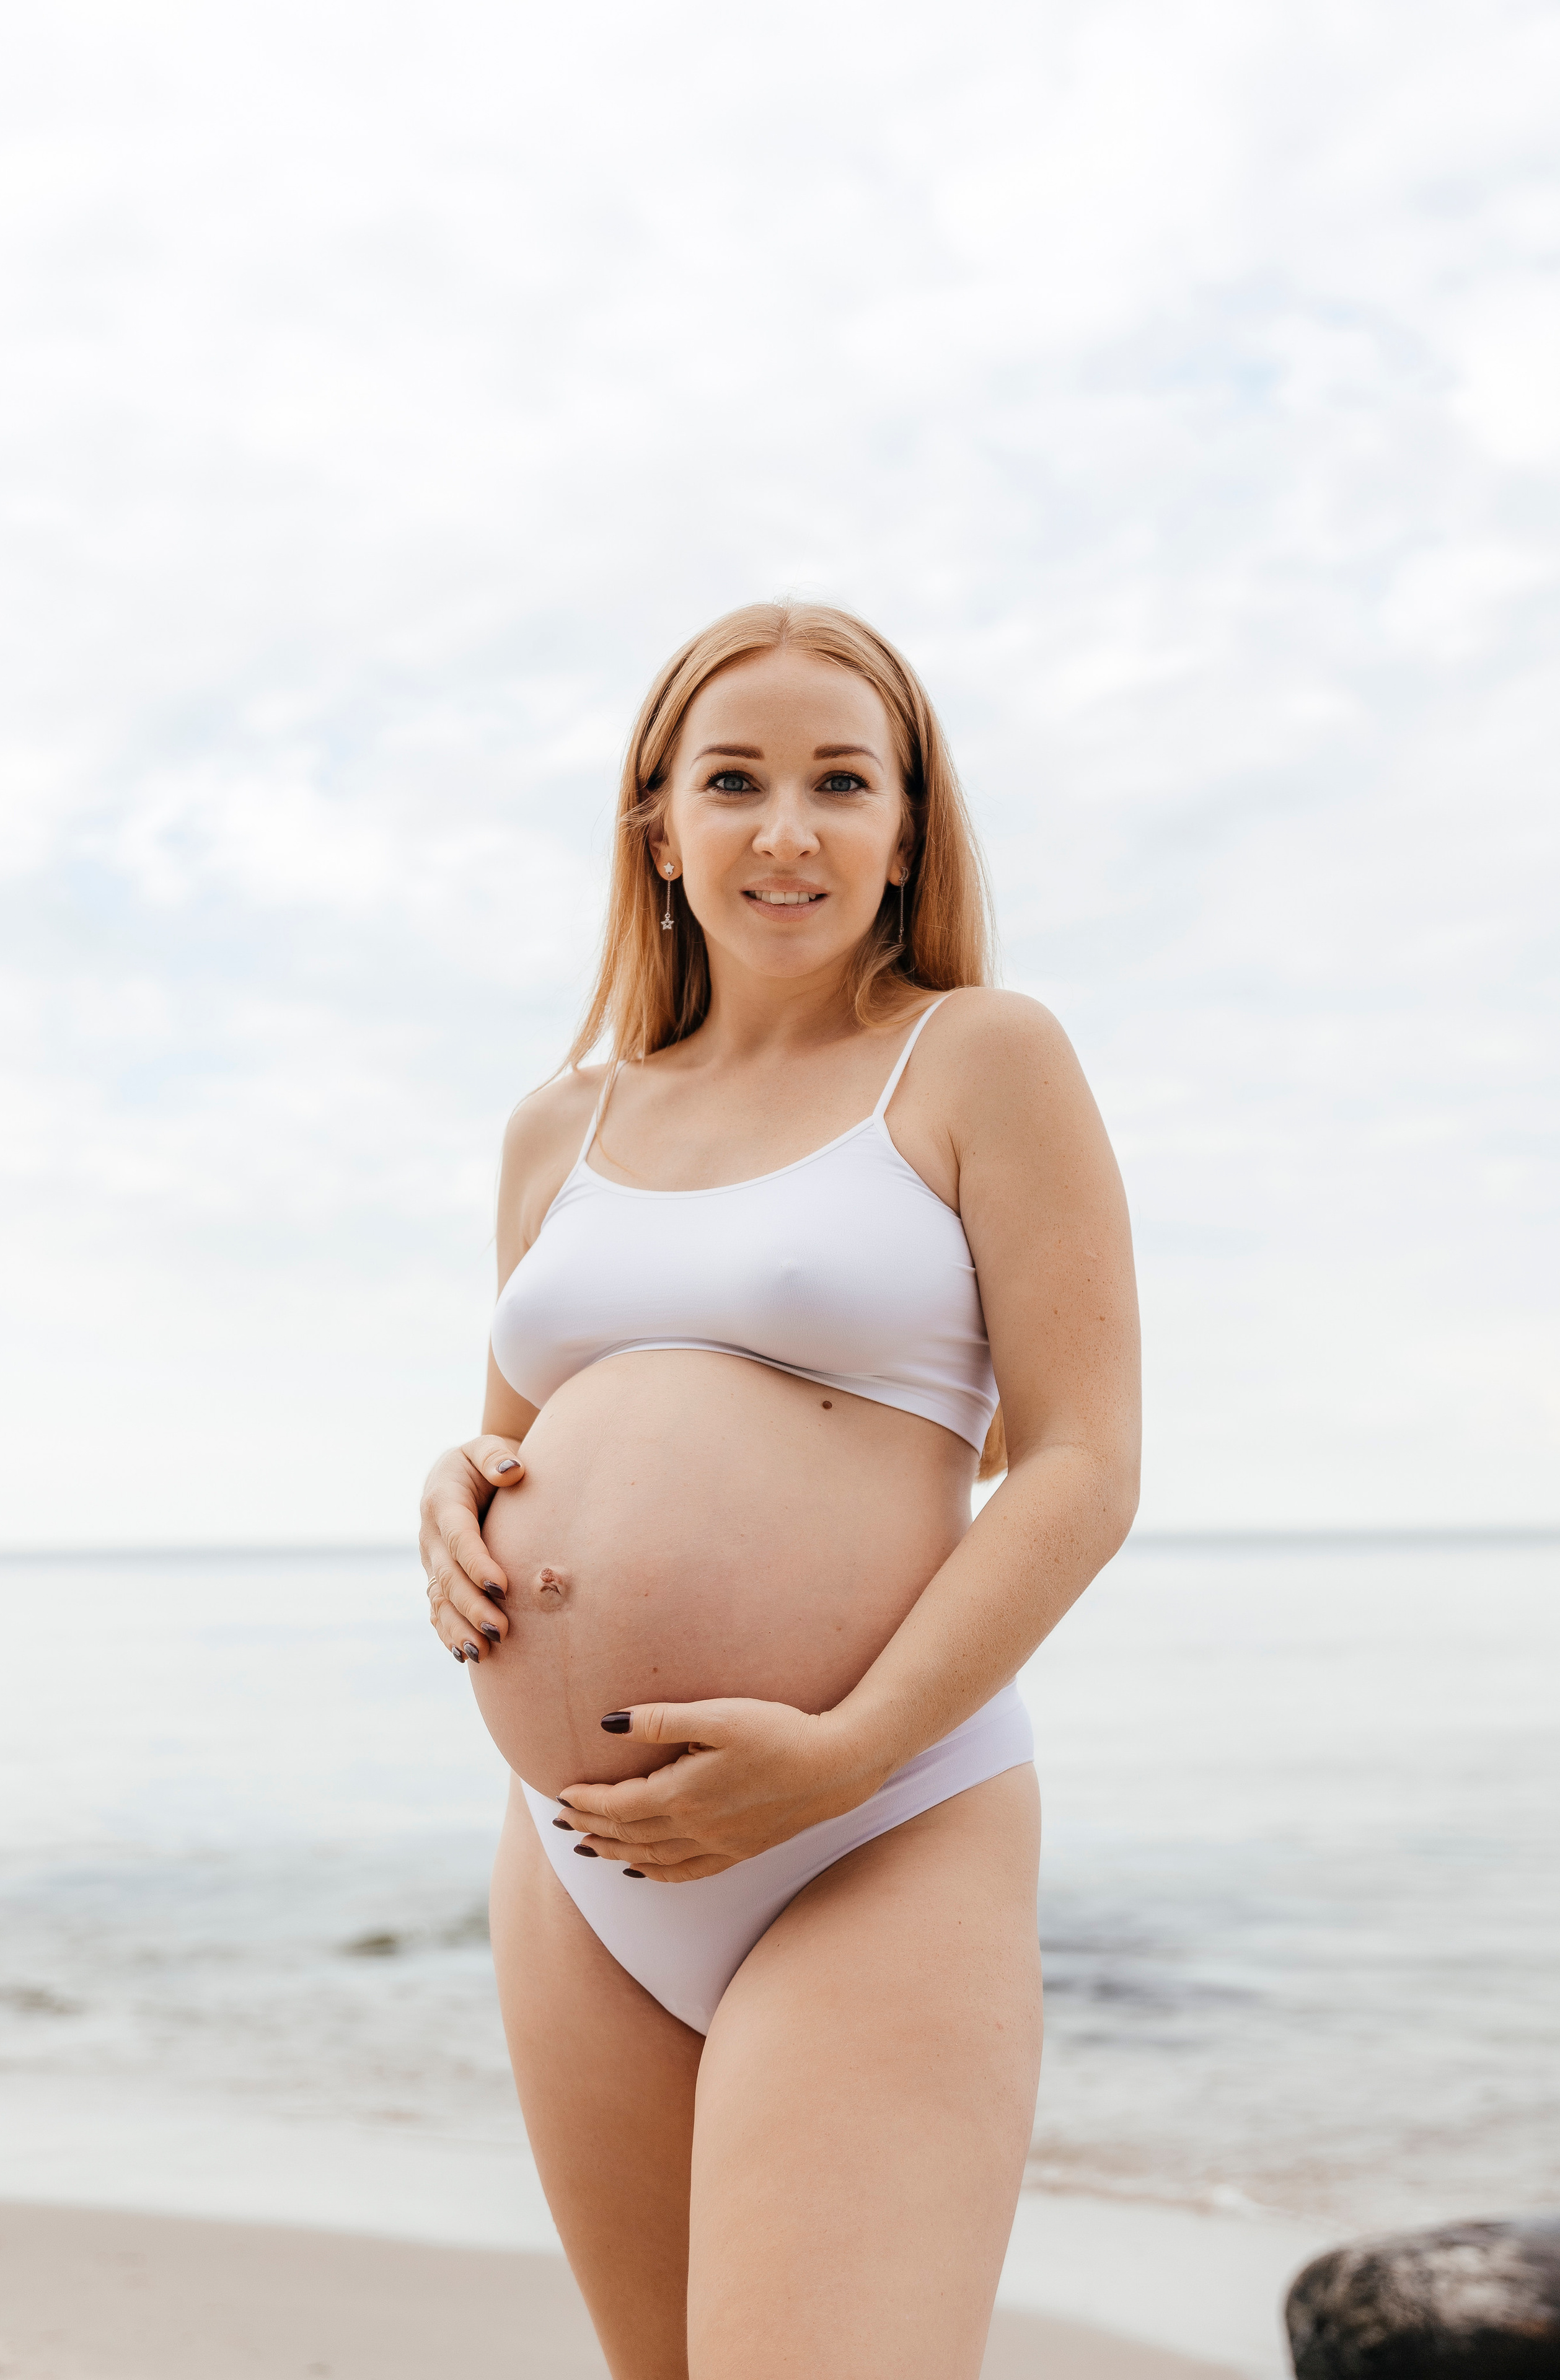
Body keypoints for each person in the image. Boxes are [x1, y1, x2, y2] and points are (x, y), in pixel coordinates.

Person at [418, 601, 1140, 2380]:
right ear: (658, 825)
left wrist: (855, 1745)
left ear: (908, 832)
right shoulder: (557, 1127)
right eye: (735, 782)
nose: (789, 830)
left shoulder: (980, 1059)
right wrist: (452, 1495)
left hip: (872, 1829)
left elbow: (1081, 1462)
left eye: (843, 782)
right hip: (585, 1864)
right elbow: (526, 1433)